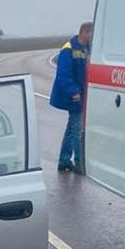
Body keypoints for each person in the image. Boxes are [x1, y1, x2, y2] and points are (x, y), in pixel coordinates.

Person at [50, 22, 92, 173]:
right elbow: (63, 74)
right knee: (76, 129)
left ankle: (64, 160)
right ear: (84, 32)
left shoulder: (85, 49)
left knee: (71, 128)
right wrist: (74, 91)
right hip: (72, 96)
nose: (92, 37)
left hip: (79, 94)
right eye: (91, 34)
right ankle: (79, 162)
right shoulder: (69, 49)